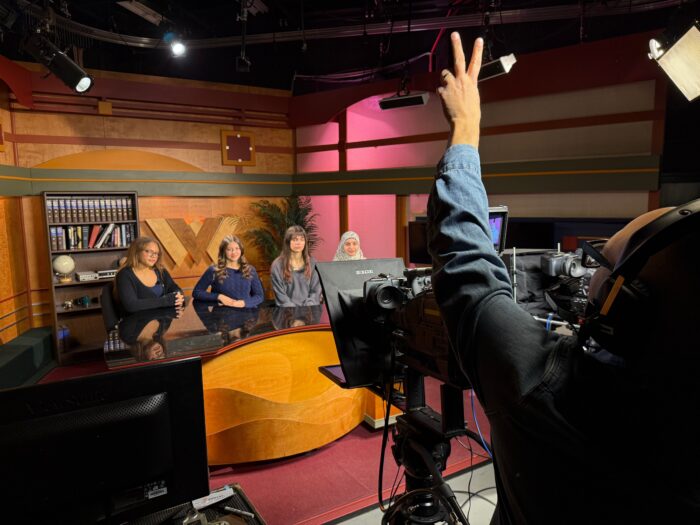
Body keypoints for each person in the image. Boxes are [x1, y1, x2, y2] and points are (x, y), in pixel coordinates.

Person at [427, 33, 700, 523]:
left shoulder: (539, 385)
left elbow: (465, 261)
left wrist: (465, 127)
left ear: (623, 311)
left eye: (603, 266)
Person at [114, 236, 184, 314]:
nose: (153, 256)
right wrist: (165, 301)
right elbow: (131, 305)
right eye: (148, 251)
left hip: (162, 319)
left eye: (156, 253)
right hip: (137, 322)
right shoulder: (124, 275)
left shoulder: (160, 271)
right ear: (136, 252)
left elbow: (175, 288)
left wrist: (177, 296)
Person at [192, 235, 264, 308]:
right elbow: (197, 292)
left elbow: (259, 296)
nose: (234, 252)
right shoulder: (214, 270)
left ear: (241, 250)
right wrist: (219, 296)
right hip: (222, 316)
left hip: (247, 315)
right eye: (229, 249)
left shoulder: (250, 270)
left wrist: (243, 303)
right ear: (223, 252)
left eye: (237, 248)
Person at [270, 225, 323, 306]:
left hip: (309, 312)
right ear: (288, 242)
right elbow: (281, 296)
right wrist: (293, 313)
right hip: (287, 313)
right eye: (295, 240)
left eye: (302, 239)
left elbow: (315, 292)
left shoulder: (313, 263)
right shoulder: (277, 265)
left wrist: (306, 311)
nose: (299, 243)